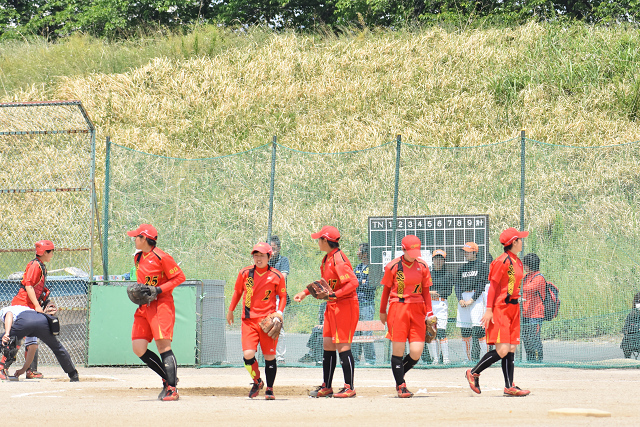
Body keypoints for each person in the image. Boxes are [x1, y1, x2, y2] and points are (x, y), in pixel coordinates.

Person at [294, 225, 359, 398]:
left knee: (342, 344)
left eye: (319, 239)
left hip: (345, 305)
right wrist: (305, 292)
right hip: (332, 305)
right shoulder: (327, 259)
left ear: (325, 240)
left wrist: (334, 294)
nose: (317, 241)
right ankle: (327, 386)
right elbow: (324, 282)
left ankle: (349, 387)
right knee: (328, 344)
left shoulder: (338, 259)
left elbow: (353, 283)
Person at [465, 227, 531, 397]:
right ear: (513, 242)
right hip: (501, 308)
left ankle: (509, 386)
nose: (522, 242)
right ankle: (474, 372)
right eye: (520, 239)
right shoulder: (501, 261)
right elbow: (493, 287)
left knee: (511, 349)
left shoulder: (518, 261)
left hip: (514, 309)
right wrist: (489, 310)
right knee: (502, 350)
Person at [127, 224, 186, 401]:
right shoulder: (138, 257)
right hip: (144, 307)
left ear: (144, 239)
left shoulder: (162, 257)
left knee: (163, 346)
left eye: (136, 237)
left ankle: (172, 389)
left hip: (161, 305)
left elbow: (179, 277)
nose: (134, 239)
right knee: (138, 348)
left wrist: (158, 290)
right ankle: (169, 378)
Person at [227, 242, 287, 399]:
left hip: (267, 321)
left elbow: (283, 296)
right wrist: (231, 310)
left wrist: (279, 313)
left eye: (262, 255)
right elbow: (237, 292)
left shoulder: (276, 275)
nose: (258, 258)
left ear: (269, 256)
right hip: (249, 320)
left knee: (269, 357)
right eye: (256, 255)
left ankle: (270, 389)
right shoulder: (245, 273)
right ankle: (257, 381)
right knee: (248, 355)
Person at [379, 235, 434, 398]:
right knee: (398, 350)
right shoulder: (393, 266)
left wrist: (429, 313)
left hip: (418, 309)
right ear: (403, 249)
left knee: (416, 352)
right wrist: (383, 311)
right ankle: (401, 385)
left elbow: (426, 291)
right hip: (398, 308)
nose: (415, 254)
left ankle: (398, 373)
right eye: (411, 251)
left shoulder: (423, 265)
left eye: (417, 250)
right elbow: (386, 291)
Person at [10, 240, 56, 379]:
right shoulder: (35, 265)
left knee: (32, 341)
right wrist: (37, 305)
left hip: (29, 306)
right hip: (22, 305)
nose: (52, 254)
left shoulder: (40, 266)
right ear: (44, 252)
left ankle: (30, 370)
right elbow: (29, 286)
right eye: (51, 251)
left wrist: (44, 301)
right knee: (16, 339)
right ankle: (3, 367)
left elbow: (37, 288)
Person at [0, 304, 79, 382]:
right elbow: (32, 348)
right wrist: (23, 369)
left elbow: (9, 314)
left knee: (2, 340)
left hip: (24, 321)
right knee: (57, 347)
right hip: (42, 321)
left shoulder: (5, 310)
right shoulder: (30, 312)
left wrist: (7, 333)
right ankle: (73, 374)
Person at [455, 242, 489, 362]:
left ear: (475, 252)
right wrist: (460, 299)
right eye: (464, 252)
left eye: (468, 252)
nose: (465, 254)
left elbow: (481, 284)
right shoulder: (462, 268)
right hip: (464, 297)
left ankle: (486, 357)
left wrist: (472, 299)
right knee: (465, 330)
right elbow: (457, 285)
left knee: (479, 329)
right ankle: (467, 358)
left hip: (476, 297)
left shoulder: (482, 266)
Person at [423, 249, 454, 364]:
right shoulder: (428, 273)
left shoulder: (448, 274)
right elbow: (424, 289)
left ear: (444, 261)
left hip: (441, 304)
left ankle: (445, 358)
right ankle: (435, 359)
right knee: (431, 332)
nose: (438, 261)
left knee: (441, 331)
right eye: (436, 258)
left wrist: (437, 293)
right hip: (430, 304)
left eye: (441, 259)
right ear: (432, 260)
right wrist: (430, 293)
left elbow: (449, 291)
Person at [352, 243, 376, 365]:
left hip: (367, 304)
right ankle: (355, 359)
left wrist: (359, 282)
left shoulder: (373, 268)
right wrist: (361, 281)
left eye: (359, 251)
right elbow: (352, 282)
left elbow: (371, 285)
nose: (357, 253)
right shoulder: (358, 267)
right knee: (355, 331)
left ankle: (370, 360)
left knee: (366, 331)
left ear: (365, 253)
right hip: (356, 303)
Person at [268, 235, 290, 364]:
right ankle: (268, 353)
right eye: (269, 249)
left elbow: (282, 277)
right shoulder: (264, 259)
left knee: (278, 325)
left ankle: (280, 356)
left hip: (278, 298)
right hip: (265, 298)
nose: (272, 251)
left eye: (274, 248)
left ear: (279, 248)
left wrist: (268, 279)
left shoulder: (283, 260)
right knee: (265, 325)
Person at [521, 253, 545, 362]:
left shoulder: (539, 277)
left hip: (536, 315)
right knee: (526, 339)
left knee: (534, 338)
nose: (524, 266)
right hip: (525, 314)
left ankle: (538, 361)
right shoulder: (526, 276)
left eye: (525, 264)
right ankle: (530, 360)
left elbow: (529, 288)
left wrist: (517, 287)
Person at [621, 292, 640, 358]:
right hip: (631, 341)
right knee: (625, 343)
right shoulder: (631, 315)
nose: (638, 304)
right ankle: (627, 361)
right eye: (637, 302)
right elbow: (625, 329)